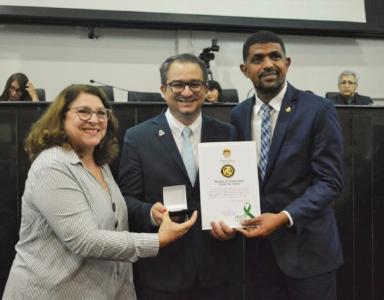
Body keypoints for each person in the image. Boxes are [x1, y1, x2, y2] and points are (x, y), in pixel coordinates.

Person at [2, 84, 197, 299]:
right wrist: (157, 241)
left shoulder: (99, 163)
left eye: (101, 113)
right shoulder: (52, 165)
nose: (94, 120)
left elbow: (113, 221)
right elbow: (86, 241)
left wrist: (152, 214)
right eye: (83, 111)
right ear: (61, 117)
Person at [231, 31, 344, 300]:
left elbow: (330, 182)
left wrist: (283, 218)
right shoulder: (238, 114)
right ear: (245, 70)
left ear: (287, 62)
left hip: (309, 252)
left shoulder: (318, 109)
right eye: (258, 59)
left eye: (275, 56)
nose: (268, 64)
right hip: (259, 254)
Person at [118, 53, 237, 299]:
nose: (186, 91)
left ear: (205, 89)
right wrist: (151, 213)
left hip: (215, 271)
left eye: (195, 84)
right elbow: (126, 201)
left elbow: (235, 192)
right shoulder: (138, 138)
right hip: (161, 273)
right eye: (177, 84)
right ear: (163, 89)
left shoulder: (227, 134)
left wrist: (233, 224)